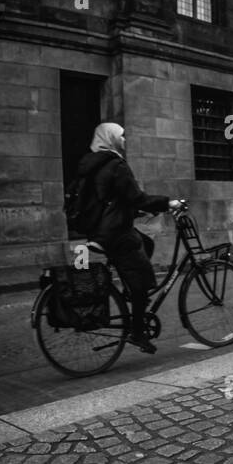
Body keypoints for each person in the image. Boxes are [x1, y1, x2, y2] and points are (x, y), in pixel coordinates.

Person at [75, 122, 180, 354]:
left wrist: (138, 211)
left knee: (147, 243)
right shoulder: (116, 165)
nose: (124, 140)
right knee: (141, 280)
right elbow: (136, 196)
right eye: (121, 136)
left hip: (101, 230)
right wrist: (167, 203)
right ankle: (137, 332)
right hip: (116, 233)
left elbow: (109, 199)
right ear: (110, 138)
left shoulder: (93, 163)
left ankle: (130, 292)